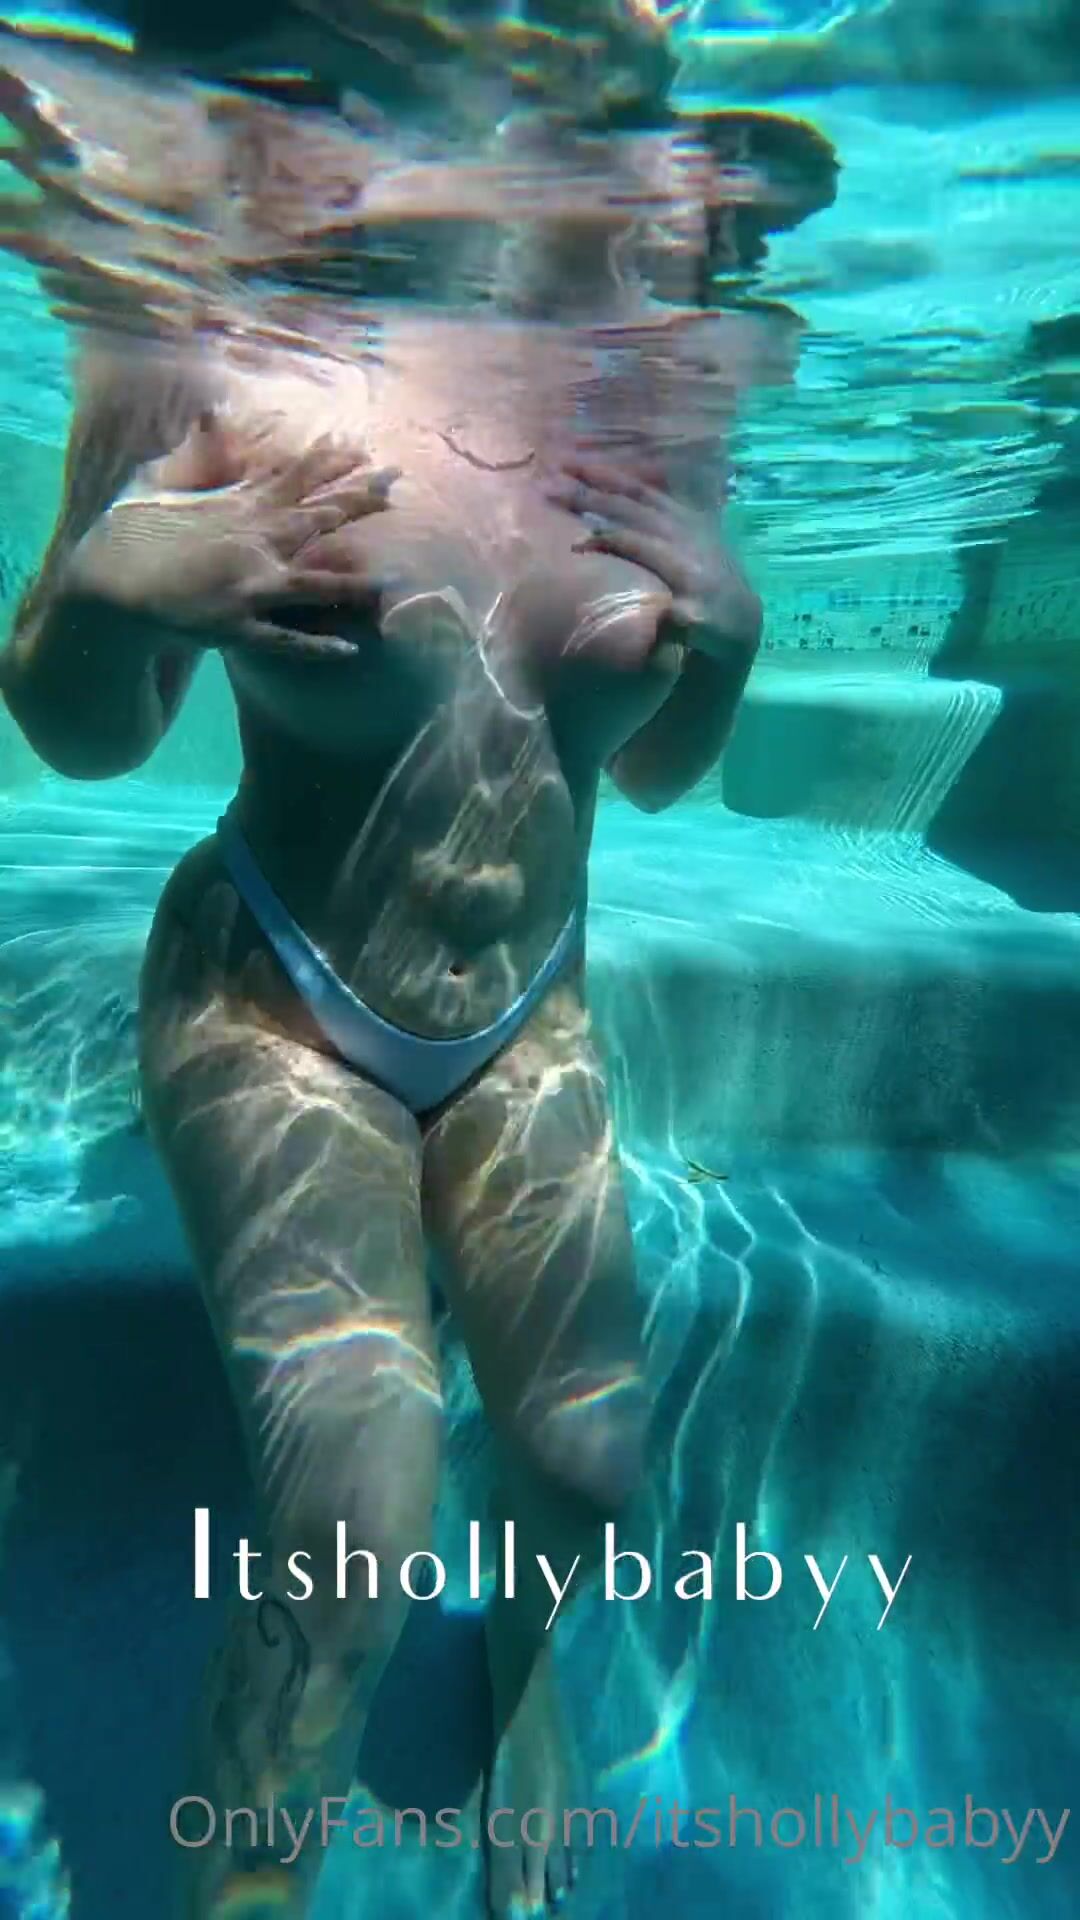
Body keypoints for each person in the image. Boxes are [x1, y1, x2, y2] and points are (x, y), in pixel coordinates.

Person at [0, 52, 814, 1920]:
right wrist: (115, 594)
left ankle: (523, 1685)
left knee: (589, 1458)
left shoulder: (654, 378)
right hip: (274, 995)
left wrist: (727, 644)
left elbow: (656, 771)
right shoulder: (213, 328)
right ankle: (251, 1864)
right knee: (350, 1514)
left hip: (529, 1011)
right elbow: (80, 726)